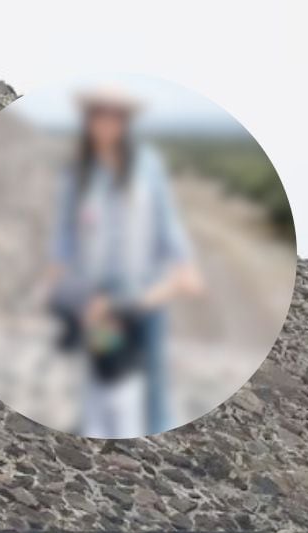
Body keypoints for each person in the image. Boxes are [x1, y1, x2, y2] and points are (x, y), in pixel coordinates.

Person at [46, 85, 204, 437]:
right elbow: (65, 231)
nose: (106, 123)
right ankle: (103, 431)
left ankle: (156, 431)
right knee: (107, 362)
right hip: (96, 286)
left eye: (115, 116)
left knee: (154, 365)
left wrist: (184, 263)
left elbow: (166, 219)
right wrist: (58, 276)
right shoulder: (78, 172)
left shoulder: (148, 165)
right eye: (99, 115)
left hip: (144, 282)